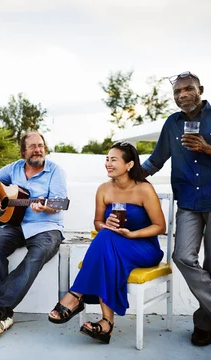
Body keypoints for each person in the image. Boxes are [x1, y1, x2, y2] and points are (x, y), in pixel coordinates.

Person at [142, 71, 211, 351]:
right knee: (182, 256)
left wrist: (208, 149)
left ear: (200, 89)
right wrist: (125, 176)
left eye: (188, 89)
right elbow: (156, 161)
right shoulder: (172, 123)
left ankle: (203, 325)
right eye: (177, 92)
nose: (182, 95)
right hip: (188, 202)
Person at [47, 142, 165, 344]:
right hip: (114, 245)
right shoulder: (103, 190)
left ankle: (76, 295)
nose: (108, 164)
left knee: (105, 244)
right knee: (105, 240)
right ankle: (105, 324)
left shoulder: (144, 189)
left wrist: (132, 234)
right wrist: (105, 224)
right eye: (107, 159)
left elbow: (160, 226)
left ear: (129, 165)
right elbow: (98, 223)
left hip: (144, 247)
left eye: (114, 160)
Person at [0, 131, 67, 338]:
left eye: (41, 146)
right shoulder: (15, 168)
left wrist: (45, 207)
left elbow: (59, 204)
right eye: (33, 146)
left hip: (47, 227)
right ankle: (2, 315)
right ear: (23, 151)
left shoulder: (55, 171)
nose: (38, 150)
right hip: (16, 224)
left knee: (37, 254)